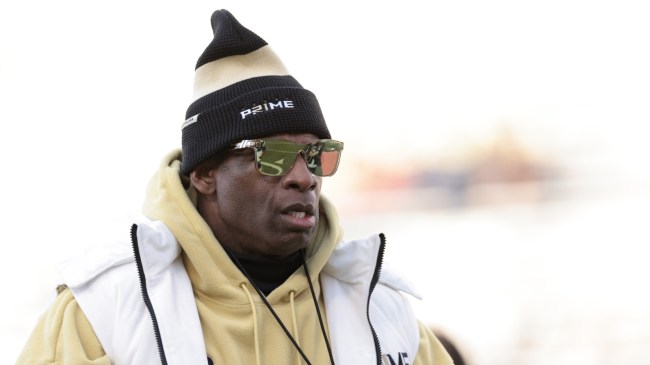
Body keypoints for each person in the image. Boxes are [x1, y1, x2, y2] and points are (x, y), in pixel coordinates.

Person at [17, 9, 453, 365]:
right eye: (274, 155)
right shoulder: (105, 309)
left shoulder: (381, 309)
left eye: (317, 154)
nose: (304, 177)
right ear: (204, 173)